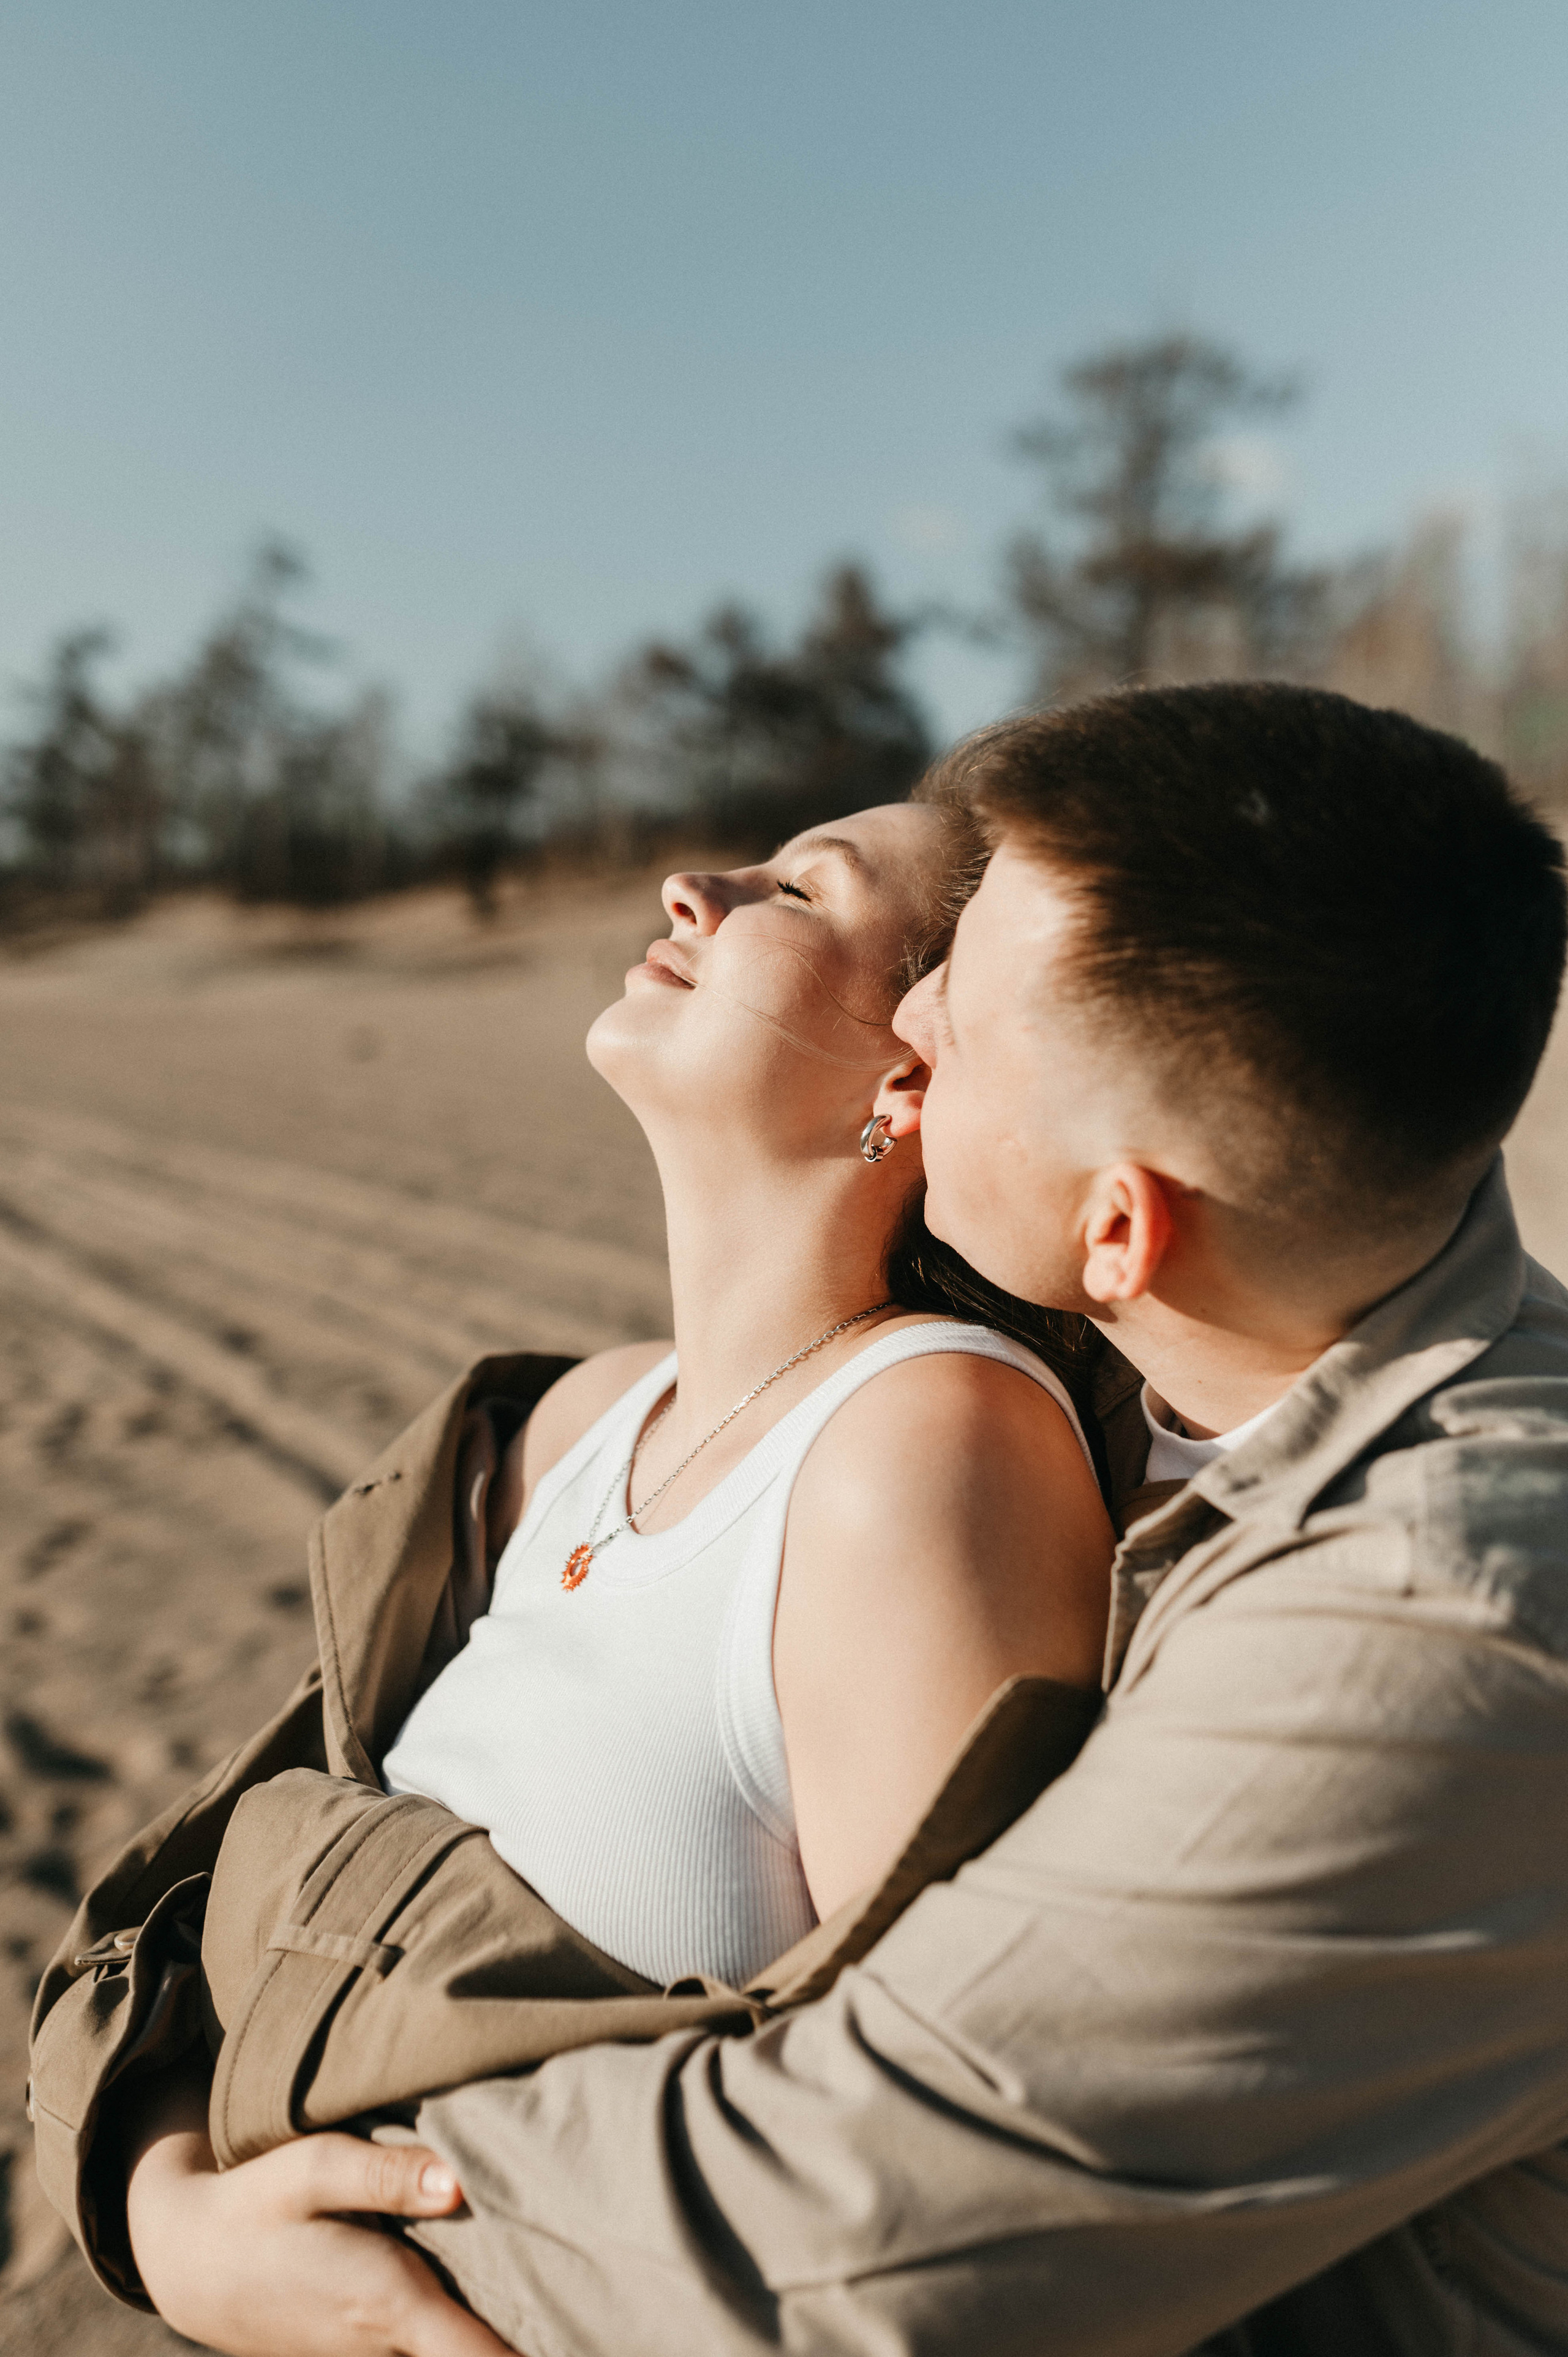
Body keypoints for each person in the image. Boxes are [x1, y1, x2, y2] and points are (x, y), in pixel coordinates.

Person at [94, 685, 1568, 2355]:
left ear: (1118, 1231)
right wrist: (161, 2185)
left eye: (959, 1017)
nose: (917, 1022)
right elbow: (194, 1899)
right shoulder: (1237, 1361)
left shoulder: (1444, 1615)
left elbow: (859, 2231)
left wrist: (245, 2216)